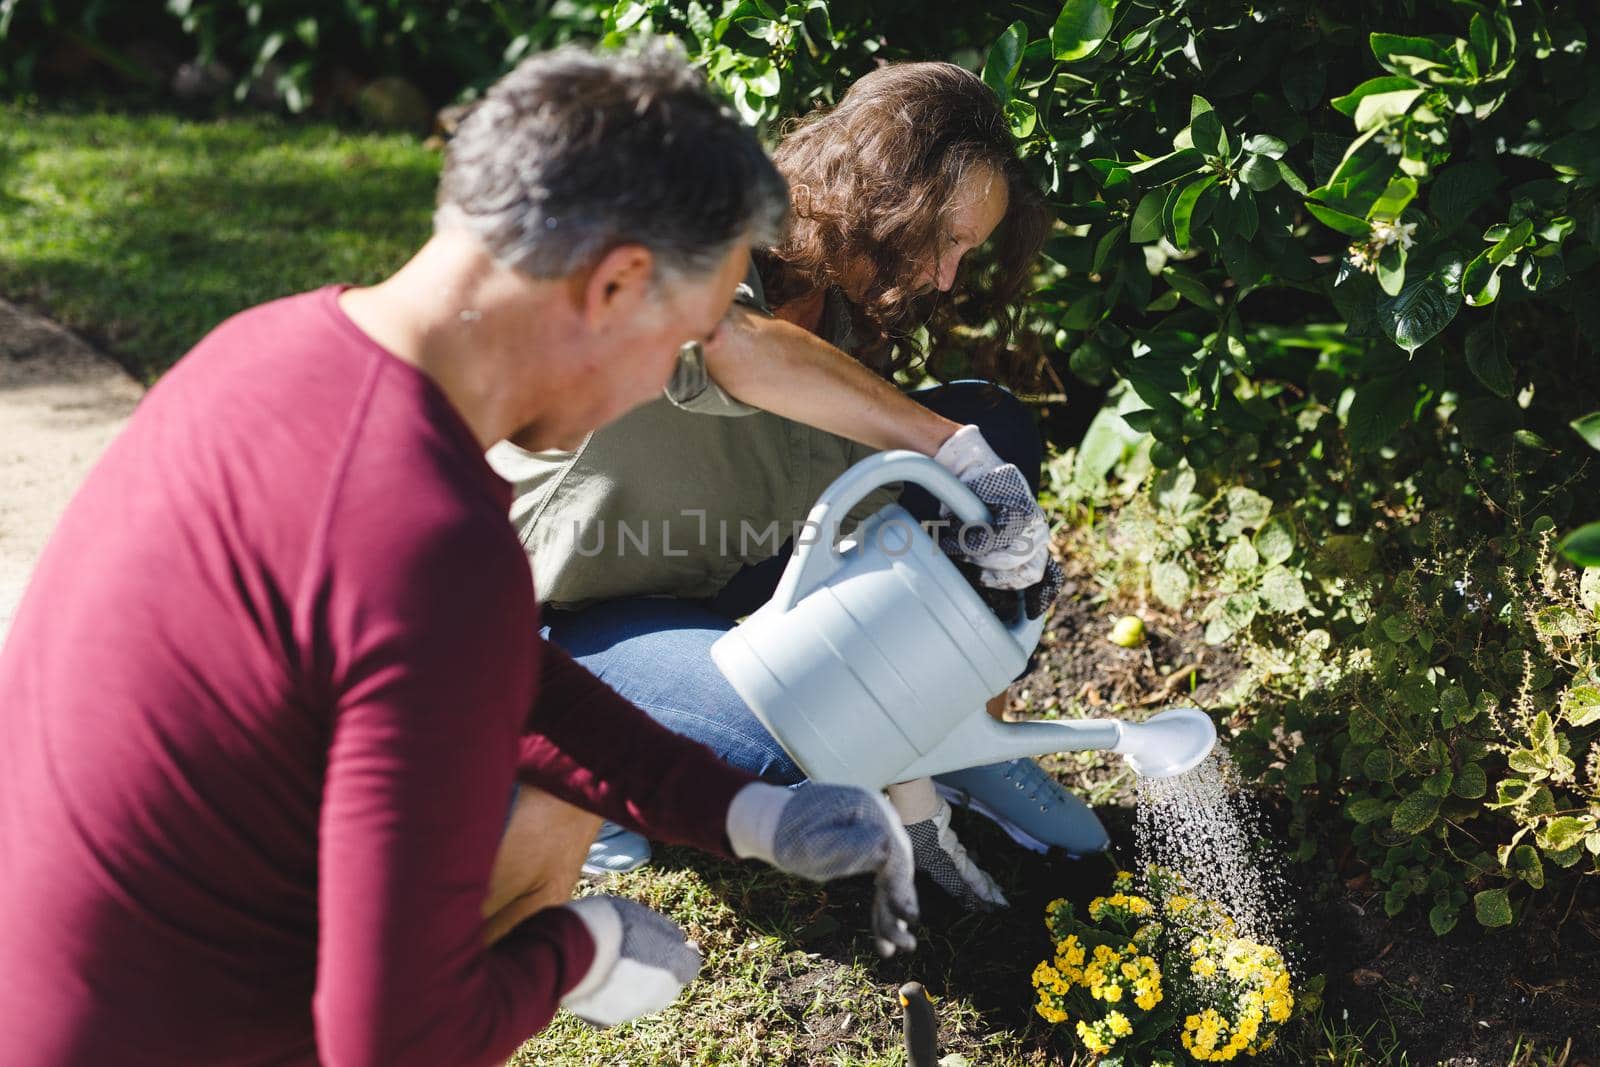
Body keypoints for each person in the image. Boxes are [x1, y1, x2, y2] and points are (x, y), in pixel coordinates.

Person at [0, 45, 921, 1067]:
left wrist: (745, 812)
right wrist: (581, 947)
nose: (665, 375)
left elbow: (505, 678)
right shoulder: (421, 536)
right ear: (615, 284)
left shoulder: (266, 352)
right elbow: (394, 1043)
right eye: (685, 340)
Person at [491, 61, 1112, 912]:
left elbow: (889, 490)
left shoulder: (852, 320)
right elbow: (724, 344)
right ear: (888, 189)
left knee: (993, 431)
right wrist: (945, 445)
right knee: (796, 755)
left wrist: (970, 660)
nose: (944, 280)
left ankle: (968, 739)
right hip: (566, 614)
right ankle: (563, 751)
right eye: (947, 240)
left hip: (721, 581)